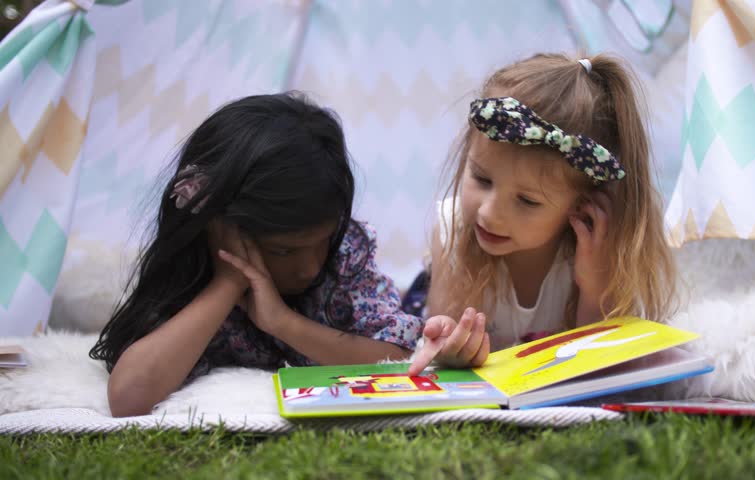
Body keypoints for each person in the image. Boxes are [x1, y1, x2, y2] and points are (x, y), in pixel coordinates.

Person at [89, 92, 423, 417]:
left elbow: (398, 362)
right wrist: (229, 281)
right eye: (283, 250)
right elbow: (129, 399)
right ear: (218, 227)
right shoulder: (192, 275)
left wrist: (283, 323)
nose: (309, 268)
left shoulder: (345, 254)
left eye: (323, 240)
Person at [408, 53, 676, 375]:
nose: (489, 214)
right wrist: (450, 345)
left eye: (526, 201)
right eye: (481, 179)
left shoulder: (597, 249)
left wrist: (593, 288)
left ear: (582, 205)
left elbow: (598, 371)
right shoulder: (454, 228)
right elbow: (444, 347)